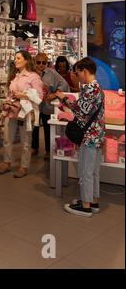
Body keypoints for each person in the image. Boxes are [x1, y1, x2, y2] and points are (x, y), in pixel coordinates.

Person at [55, 57, 105, 218]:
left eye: (77, 73)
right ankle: (93, 201)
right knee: (94, 171)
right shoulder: (97, 87)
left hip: (88, 136)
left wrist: (63, 98)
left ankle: (85, 207)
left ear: (84, 71)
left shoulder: (89, 89)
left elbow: (79, 110)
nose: (76, 76)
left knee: (85, 172)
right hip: (97, 135)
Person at [0, 51, 44, 178]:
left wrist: (23, 95)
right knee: (7, 138)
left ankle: (24, 166)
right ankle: (7, 162)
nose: (15, 60)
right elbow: (10, 93)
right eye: (15, 58)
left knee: (25, 140)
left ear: (26, 60)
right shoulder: (14, 75)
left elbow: (39, 96)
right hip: (12, 110)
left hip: (26, 113)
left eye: (18, 58)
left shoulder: (34, 77)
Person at [31, 53, 69, 160]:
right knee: (34, 127)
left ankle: (48, 150)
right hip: (34, 105)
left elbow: (64, 84)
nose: (41, 65)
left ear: (47, 63)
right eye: (39, 62)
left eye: (44, 62)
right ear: (35, 62)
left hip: (47, 106)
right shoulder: (31, 73)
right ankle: (34, 147)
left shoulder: (52, 73)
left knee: (48, 129)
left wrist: (55, 93)